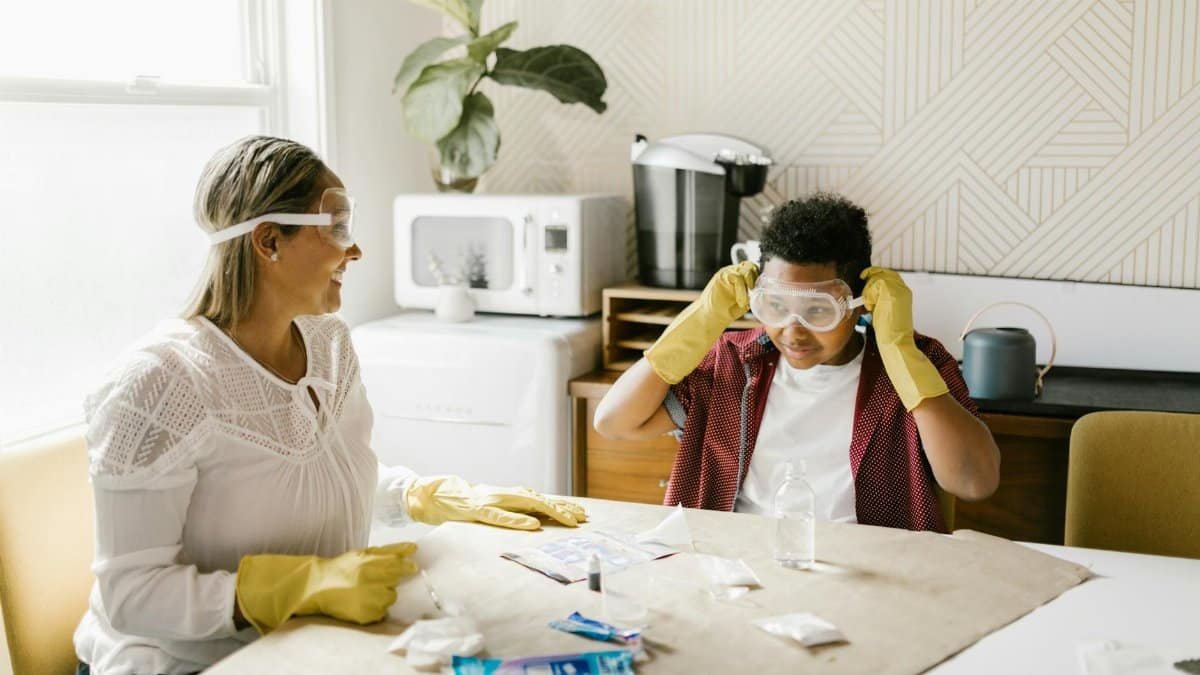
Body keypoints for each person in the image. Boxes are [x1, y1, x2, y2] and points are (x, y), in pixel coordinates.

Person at [74, 135, 586, 675]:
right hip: (182, 664)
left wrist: (425, 496)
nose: (356, 249)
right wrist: (295, 586)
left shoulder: (328, 343)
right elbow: (131, 595)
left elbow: (310, 476)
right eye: (337, 227)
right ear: (269, 242)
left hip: (306, 647)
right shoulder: (159, 383)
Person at [594, 193, 999, 531]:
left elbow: (974, 482)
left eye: (817, 311)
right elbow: (613, 422)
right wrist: (701, 320)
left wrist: (900, 352)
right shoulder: (734, 364)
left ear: (859, 303)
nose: (793, 331)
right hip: (737, 564)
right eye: (775, 306)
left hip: (871, 573)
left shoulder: (917, 365)